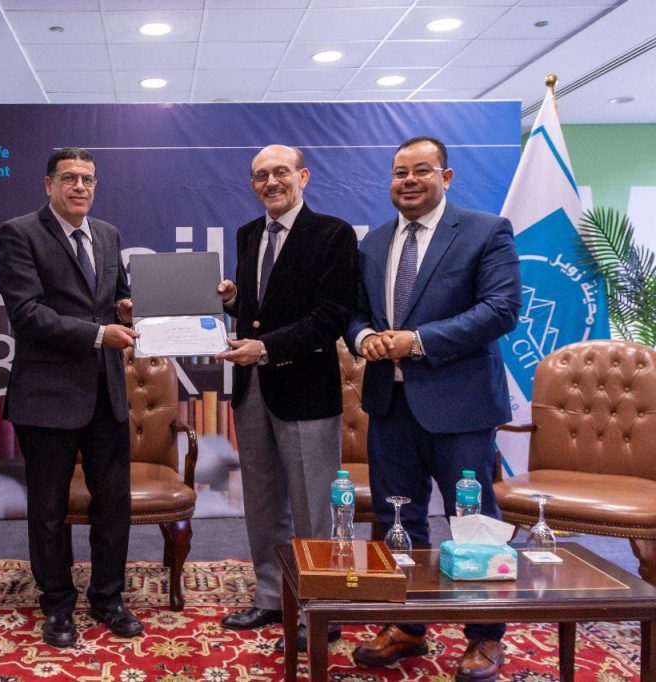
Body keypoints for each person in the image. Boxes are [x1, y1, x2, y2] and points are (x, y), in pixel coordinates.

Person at [345, 136, 521, 682]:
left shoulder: (485, 231)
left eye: (422, 170)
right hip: (390, 405)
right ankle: (407, 624)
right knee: (398, 519)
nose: (409, 181)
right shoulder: (374, 242)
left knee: (472, 521)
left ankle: (485, 635)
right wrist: (366, 337)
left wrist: (417, 341)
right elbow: (353, 313)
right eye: (400, 172)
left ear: (446, 177)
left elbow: (501, 309)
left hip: (461, 407)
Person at [0, 147, 143, 648]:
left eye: (88, 179)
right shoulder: (19, 233)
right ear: (49, 184)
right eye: (70, 178)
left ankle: (108, 598)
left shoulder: (108, 234)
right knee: (49, 510)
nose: (80, 187)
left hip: (106, 393)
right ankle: (57, 603)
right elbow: (27, 313)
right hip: (47, 396)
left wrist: (123, 310)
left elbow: (114, 297)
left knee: (113, 505)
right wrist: (100, 334)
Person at [216, 144, 357, 649]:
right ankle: (272, 596)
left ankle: (323, 607)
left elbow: (332, 315)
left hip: (305, 390)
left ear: (303, 176)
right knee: (261, 501)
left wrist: (267, 348)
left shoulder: (333, 234)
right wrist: (235, 301)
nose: (271, 182)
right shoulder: (248, 233)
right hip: (252, 388)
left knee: (314, 508)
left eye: (280, 172)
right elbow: (259, 312)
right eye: (261, 175)